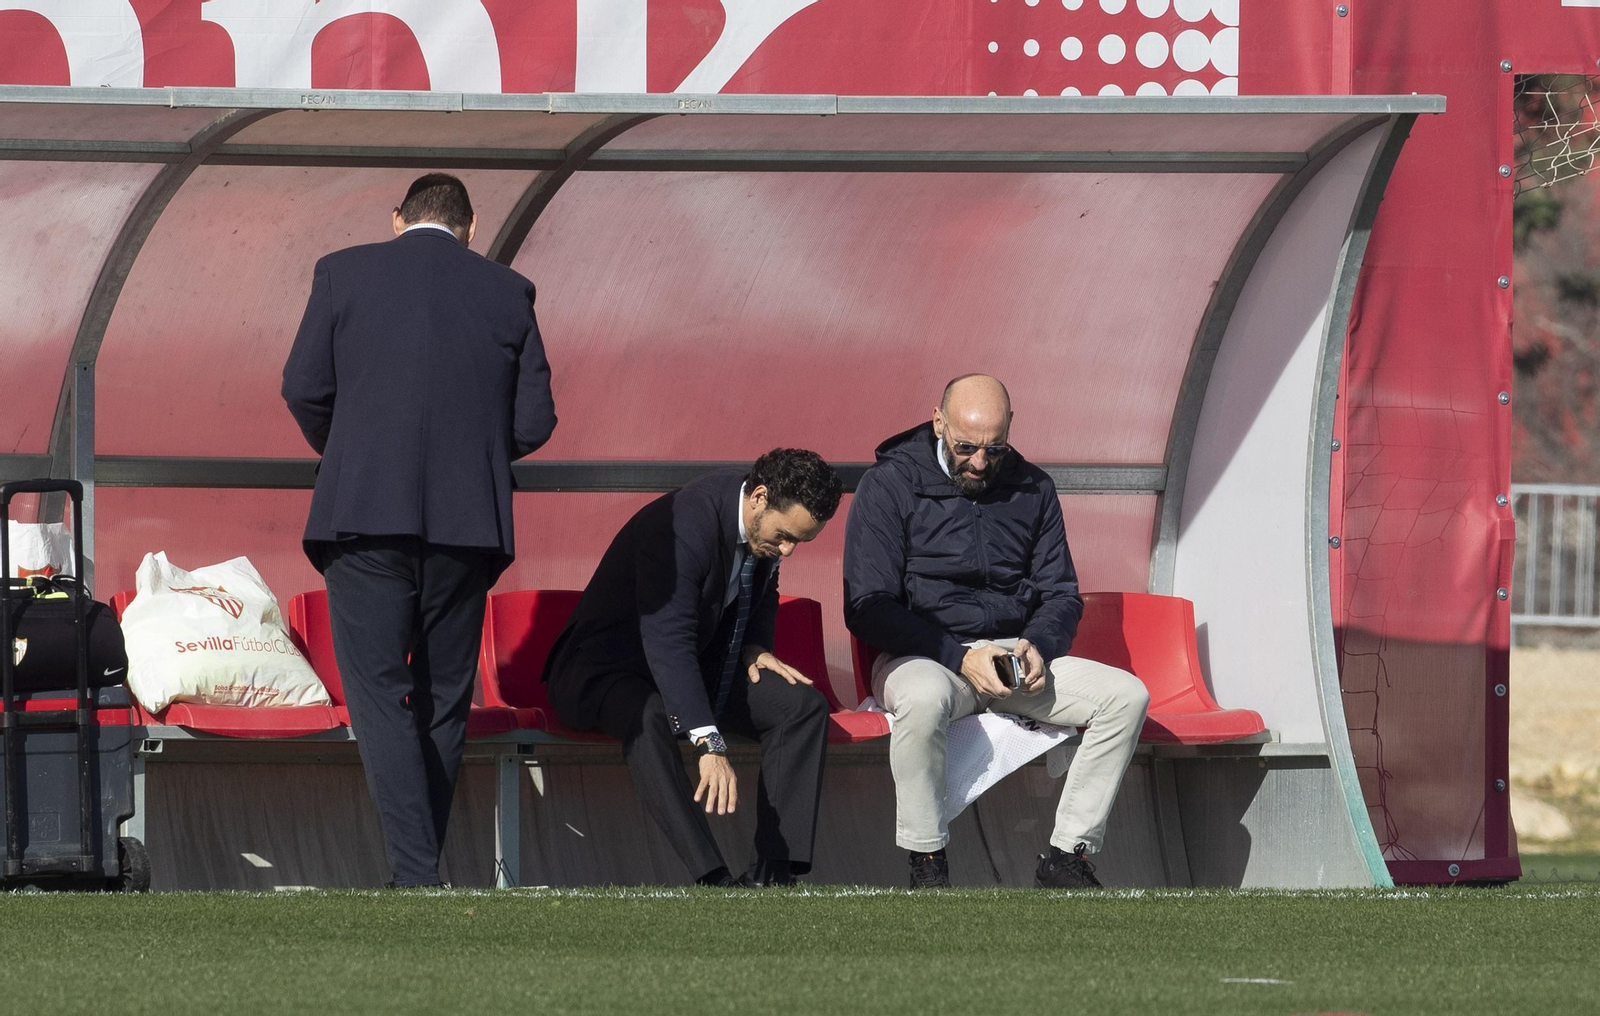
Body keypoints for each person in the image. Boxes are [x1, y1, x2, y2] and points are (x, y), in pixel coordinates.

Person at [281, 173, 556, 888]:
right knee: (442, 700)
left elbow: (303, 389)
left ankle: (416, 874)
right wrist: (470, 459)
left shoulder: (343, 273)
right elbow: (533, 422)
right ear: (472, 228)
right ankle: (416, 873)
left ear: (397, 217)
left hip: (363, 520)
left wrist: (353, 452)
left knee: (378, 695)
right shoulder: (509, 290)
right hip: (467, 530)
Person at [844, 374, 1149, 889]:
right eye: (966, 447)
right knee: (920, 699)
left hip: (1014, 656)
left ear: (1011, 429)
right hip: (925, 654)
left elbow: (1060, 595)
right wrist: (956, 656)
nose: (980, 463)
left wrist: (1040, 646)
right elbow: (867, 607)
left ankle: (1067, 859)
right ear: (938, 422)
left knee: (1125, 696)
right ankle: (927, 862)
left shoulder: (1034, 487)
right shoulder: (889, 484)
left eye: (994, 449)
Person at [544, 449, 843, 887]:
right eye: (784, 536)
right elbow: (668, 638)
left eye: (800, 541)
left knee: (801, 707)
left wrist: (755, 646)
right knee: (648, 716)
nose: (788, 550)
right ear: (759, 497)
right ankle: (713, 876)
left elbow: (765, 583)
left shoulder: (762, 522)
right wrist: (709, 741)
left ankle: (773, 873)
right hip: (604, 667)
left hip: (699, 667)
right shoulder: (685, 522)